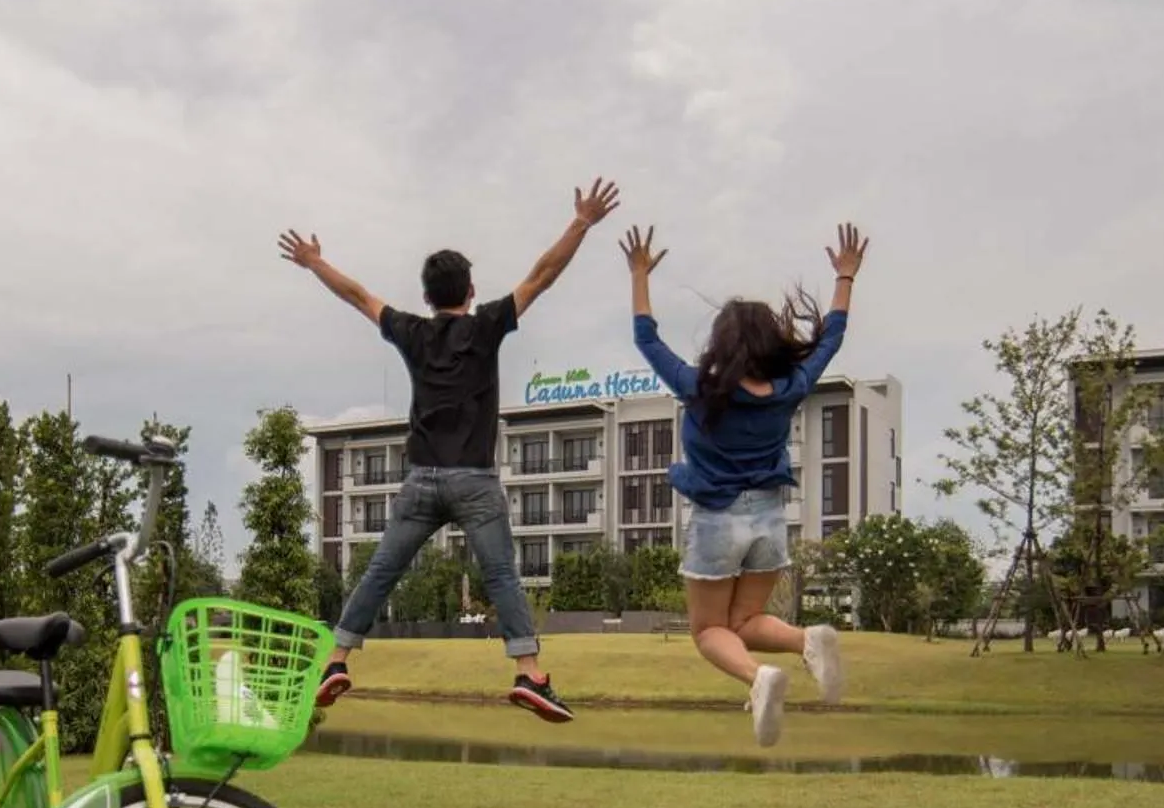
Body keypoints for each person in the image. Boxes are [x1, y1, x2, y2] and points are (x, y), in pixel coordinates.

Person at [278, 179, 622, 723]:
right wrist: (580, 222)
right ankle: (529, 674)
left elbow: (357, 295)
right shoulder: (486, 325)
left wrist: (314, 261)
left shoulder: (411, 331)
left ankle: (337, 660)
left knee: (379, 573)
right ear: (470, 289)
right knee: (502, 575)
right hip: (475, 480)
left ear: (427, 296)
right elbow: (542, 276)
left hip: (420, 480)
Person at [618, 220, 869, 746]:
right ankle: (807, 640)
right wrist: (845, 277)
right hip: (770, 519)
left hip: (717, 520)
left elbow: (646, 337)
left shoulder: (697, 387)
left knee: (709, 632)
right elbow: (833, 337)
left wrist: (639, 274)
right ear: (772, 342)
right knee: (746, 620)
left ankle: (759, 678)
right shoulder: (791, 386)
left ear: (722, 342)